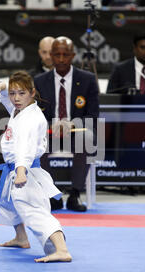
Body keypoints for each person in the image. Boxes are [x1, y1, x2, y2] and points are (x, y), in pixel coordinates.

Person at [0, 71, 72, 263]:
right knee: (1, 195)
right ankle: (21, 237)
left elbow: (24, 148)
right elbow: (7, 100)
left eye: (21, 93)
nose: (16, 98)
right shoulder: (20, 109)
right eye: (12, 93)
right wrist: (2, 87)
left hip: (25, 169)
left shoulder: (30, 119)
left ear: (32, 93)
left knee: (33, 209)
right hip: (13, 169)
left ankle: (61, 249)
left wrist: (21, 172)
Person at [34, 36, 99, 212]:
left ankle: (74, 194)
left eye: (65, 54)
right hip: (50, 134)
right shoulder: (39, 81)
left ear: (73, 56)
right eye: (57, 54)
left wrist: (73, 124)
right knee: (35, 140)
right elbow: (34, 115)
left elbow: (93, 116)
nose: (61, 59)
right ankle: (52, 195)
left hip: (76, 133)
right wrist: (52, 124)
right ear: (51, 56)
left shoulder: (87, 79)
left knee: (86, 138)